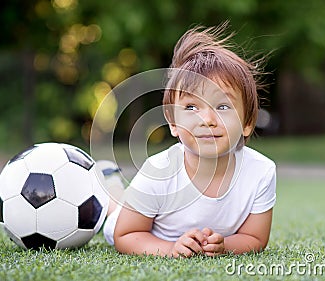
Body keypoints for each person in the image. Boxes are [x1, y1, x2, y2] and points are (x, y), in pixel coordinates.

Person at [102, 23, 276, 258]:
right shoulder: (159, 171)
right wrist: (171, 248)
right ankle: (109, 186)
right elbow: (127, 234)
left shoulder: (261, 171)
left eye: (223, 106)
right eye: (192, 107)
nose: (207, 119)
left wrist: (225, 246)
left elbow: (255, 238)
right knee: (114, 211)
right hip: (147, 230)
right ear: (173, 122)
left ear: (247, 123)